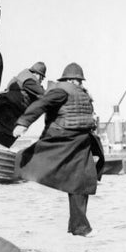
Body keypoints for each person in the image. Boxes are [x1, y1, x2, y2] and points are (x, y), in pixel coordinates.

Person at [13, 62, 105, 237]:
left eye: (80, 81)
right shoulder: (61, 90)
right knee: (25, 160)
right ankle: (10, 173)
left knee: (82, 183)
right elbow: (41, 104)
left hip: (81, 142)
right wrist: (23, 123)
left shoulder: (83, 94)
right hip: (62, 139)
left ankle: (79, 228)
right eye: (76, 80)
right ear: (69, 79)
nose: (78, 84)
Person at [0, 62, 47, 149]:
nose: (41, 80)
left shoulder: (23, 77)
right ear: (36, 74)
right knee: (14, 132)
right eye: (42, 78)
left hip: (2, 106)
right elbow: (45, 95)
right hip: (6, 107)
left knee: (6, 133)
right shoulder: (30, 80)